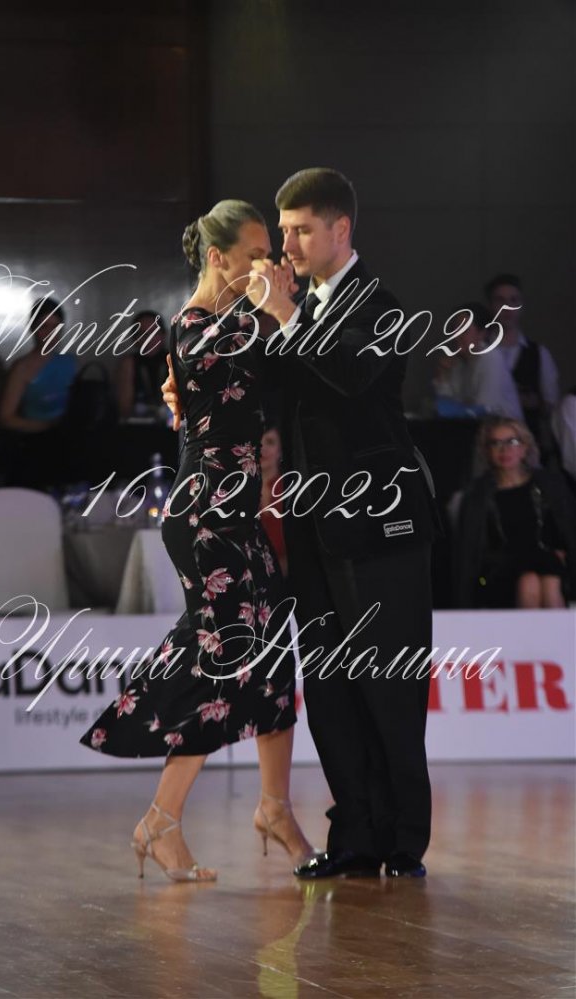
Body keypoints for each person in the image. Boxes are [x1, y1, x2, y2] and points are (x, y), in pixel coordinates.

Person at [164, 168, 441, 879]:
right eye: (282, 231)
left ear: (340, 230)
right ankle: (353, 835)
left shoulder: (379, 305)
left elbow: (348, 376)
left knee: (387, 682)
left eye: (299, 230)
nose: (284, 246)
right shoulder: (293, 308)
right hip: (313, 526)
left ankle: (402, 840)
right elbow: (250, 389)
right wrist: (184, 385)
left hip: (380, 525)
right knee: (329, 686)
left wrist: (286, 315)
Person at [80, 200, 314, 882]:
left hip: (236, 515)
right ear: (218, 258)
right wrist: (278, 305)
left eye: (270, 252)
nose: (268, 264)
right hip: (204, 519)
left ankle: (274, 807)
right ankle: (162, 820)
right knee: (221, 662)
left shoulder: (238, 321)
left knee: (272, 652)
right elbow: (263, 348)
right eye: (255, 254)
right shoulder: (198, 326)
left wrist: (279, 307)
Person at [453, 417, 576, 609]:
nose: (504, 450)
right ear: (487, 451)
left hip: (548, 561)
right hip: (501, 569)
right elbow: (470, 553)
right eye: (496, 443)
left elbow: (567, 530)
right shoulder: (478, 495)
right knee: (529, 582)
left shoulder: (549, 484)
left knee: (549, 581)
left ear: (525, 447)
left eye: (512, 441)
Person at [0, 297, 77, 487]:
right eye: (44, 327)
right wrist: (45, 425)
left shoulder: (70, 362)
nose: (50, 333)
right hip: (34, 444)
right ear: (33, 328)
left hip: (68, 442)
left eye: (55, 327)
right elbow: (6, 417)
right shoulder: (22, 368)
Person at [484, 274, 560, 454]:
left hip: (527, 446)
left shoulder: (539, 354)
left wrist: (534, 403)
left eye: (513, 300)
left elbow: (552, 405)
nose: (507, 307)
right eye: (500, 300)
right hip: (486, 444)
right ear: (491, 306)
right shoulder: (479, 352)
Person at [432, 302, 523, 420]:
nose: (456, 336)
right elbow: (445, 407)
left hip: (505, 426)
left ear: (482, 334)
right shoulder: (458, 362)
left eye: (464, 330)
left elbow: (483, 410)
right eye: (454, 330)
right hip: (472, 426)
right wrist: (443, 376)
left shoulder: (491, 358)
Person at [115, 310, 169, 419]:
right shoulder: (129, 363)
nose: (149, 338)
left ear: (163, 335)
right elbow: (124, 408)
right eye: (143, 334)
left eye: (154, 333)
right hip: (138, 424)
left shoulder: (174, 361)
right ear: (135, 338)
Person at [259, 423, 288, 577]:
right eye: (259, 442)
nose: (262, 448)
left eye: (270, 442)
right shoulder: (242, 491)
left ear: (280, 451)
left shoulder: (288, 490)